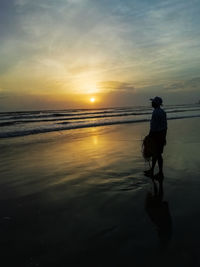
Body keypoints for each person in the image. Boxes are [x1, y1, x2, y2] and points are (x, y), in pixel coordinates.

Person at [144, 96, 167, 180]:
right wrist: (164, 137)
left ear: (156, 104)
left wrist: (149, 137)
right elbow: (165, 126)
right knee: (157, 154)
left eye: (153, 102)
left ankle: (160, 173)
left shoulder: (155, 113)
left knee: (156, 154)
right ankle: (153, 171)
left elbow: (153, 127)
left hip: (156, 136)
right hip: (161, 135)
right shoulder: (162, 112)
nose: (151, 103)